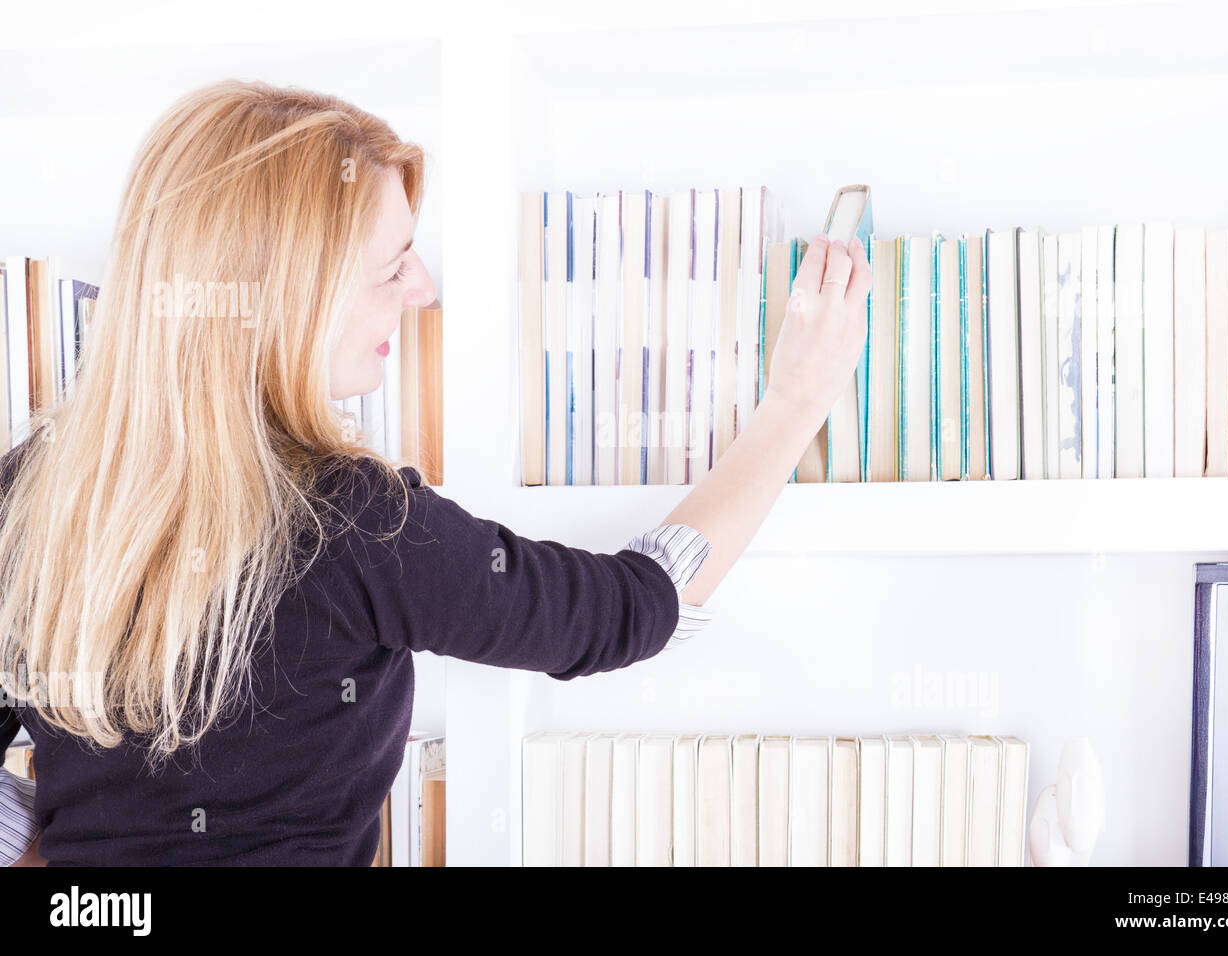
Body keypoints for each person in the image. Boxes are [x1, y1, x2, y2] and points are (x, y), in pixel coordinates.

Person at [0, 79, 871, 866]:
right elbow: (631, 611)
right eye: (392, 265)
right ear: (290, 303)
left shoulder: (29, 494)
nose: (421, 290)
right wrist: (795, 403)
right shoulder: (353, 522)